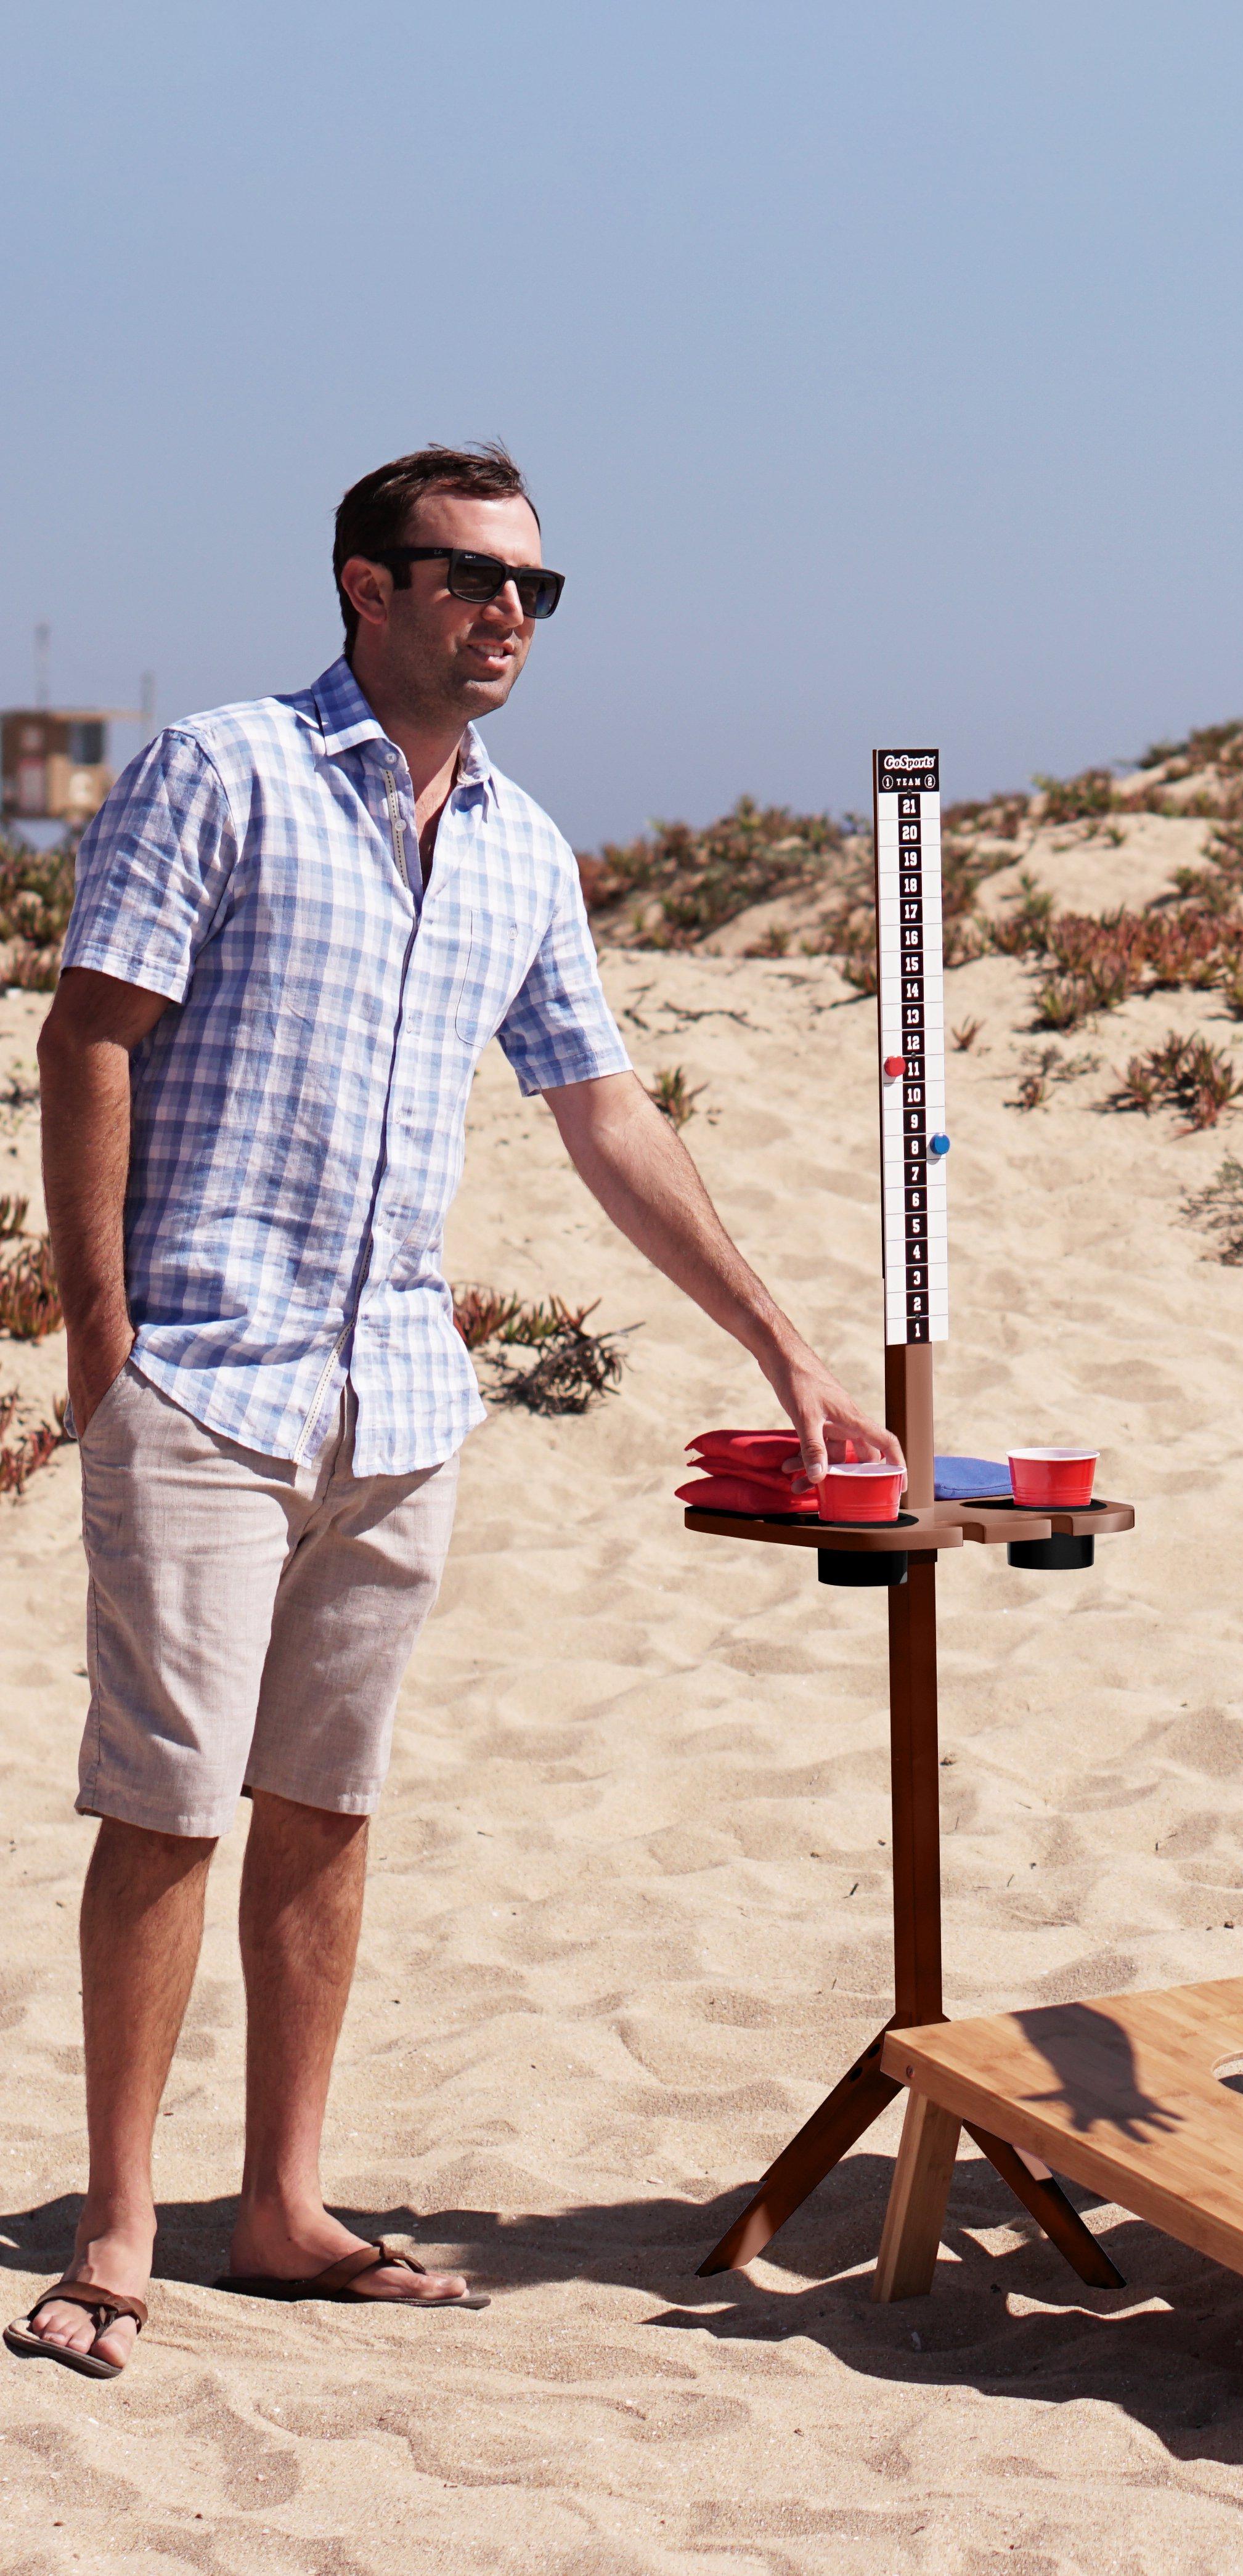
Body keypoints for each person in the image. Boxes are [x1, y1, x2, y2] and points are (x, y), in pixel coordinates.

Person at [8, 444, 898, 2380]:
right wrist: (100, 1332)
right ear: (366, 584)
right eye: (474, 577)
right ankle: (116, 2229)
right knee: (166, 1808)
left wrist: (782, 1345)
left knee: (327, 1805)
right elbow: (89, 1035)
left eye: (534, 589)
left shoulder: (518, 844)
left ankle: (284, 2203)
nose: (510, 615)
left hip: (399, 1398)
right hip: (205, 1375)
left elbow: (603, 1109)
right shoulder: (221, 770)